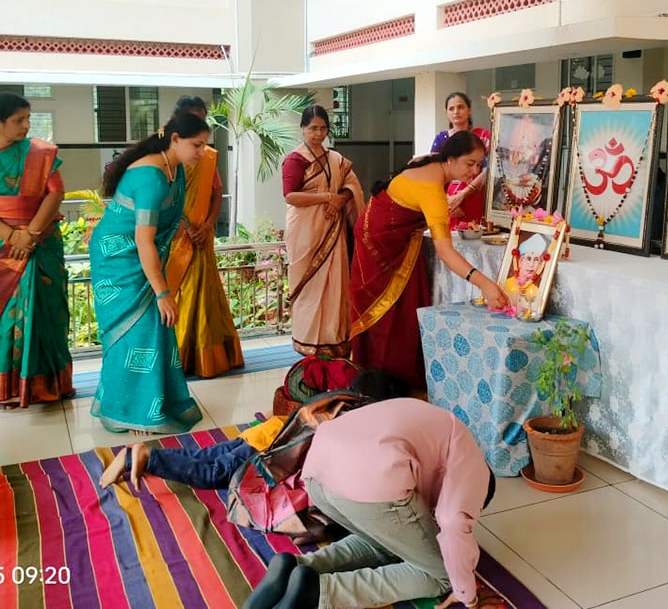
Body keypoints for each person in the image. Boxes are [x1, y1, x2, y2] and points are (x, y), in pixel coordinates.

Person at [243, 398, 496, 609]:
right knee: (440, 574)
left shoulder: (443, 428)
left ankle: (296, 568)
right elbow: (454, 522)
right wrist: (467, 595)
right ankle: (319, 592)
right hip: (371, 481)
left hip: (317, 475)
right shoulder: (474, 470)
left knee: (383, 540)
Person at [350, 130, 509, 389]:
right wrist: (485, 284)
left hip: (397, 241)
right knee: (387, 317)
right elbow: (445, 252)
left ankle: (395, 382)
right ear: (450, 159)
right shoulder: (431, 189)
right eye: (470, 163)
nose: (474, 170)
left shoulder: (435, 163)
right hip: (380, 247)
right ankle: (381, 386)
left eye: (479, 165)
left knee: (404, 313)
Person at [89, 112, 211, 435]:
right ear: (174, 140)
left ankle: (155, 402)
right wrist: (162, 292)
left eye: (204, 145)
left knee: (155, 329)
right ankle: (130, 411)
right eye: (196, 145)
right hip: (119, 260)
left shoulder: (176, 169)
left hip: (142, 256)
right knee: (134, 331)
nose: (201, 152)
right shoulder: (151, 179)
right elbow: (143, 240)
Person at [98, 369, 408, 492]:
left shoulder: (335, 398)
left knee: (206, 456)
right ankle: (145, 458)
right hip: (270, 446)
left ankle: (144, 455)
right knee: (215, 474)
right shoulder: (352, 415)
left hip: (266, 430)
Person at [0, 92, 73, 409]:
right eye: (19, 120)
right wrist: (12, 236)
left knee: (49, 313)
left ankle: (52, 385)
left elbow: (56, 193)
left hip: (42, 241)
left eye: (28, 119)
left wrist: (31, 234)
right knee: (7, 317)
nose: (26, 126)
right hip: (0, 247)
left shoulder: (41, 153)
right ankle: (9, 389)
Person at [164, 96, 244, 378]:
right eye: (191, 118)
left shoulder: (207, 155)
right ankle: (175, 357)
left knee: (205, 298)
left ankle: (205, 358)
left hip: (201, 236)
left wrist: (208, 225)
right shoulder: (162, 150)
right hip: (172, 239)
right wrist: (181, 226)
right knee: (176, 298)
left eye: (201, 118)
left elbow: (214, 192)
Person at [282, 105, 364, 357]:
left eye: (323, 128)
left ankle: (333, 338)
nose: (318, 134)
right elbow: (291, 196)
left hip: (333, 228)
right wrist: (327, 197)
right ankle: (307, 340)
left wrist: (341, 199)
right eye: (313, 128)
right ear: (303, 129)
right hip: (306, 231)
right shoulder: (295, 159)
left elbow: (353, 186)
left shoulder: (335, 159)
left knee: (334, 285)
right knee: (309, 287)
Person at [430, 92, 491, 230]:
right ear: (446, 113)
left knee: (475, 235)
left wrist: (463, 194)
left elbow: (489, 169)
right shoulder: (442, 139)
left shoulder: (482, 136)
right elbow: (434, 172)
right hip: (449, 201)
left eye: (460, 107)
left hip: (475, 196)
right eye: (451, 109)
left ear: (469, 110)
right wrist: (449, 202)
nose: (456, 112)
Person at [505, 233, 548, 308]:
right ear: (521, 261)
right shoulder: (506, 283)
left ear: (540, 264)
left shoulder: (537, 292)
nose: (531, 265)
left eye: (536, 260)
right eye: (528, 259)